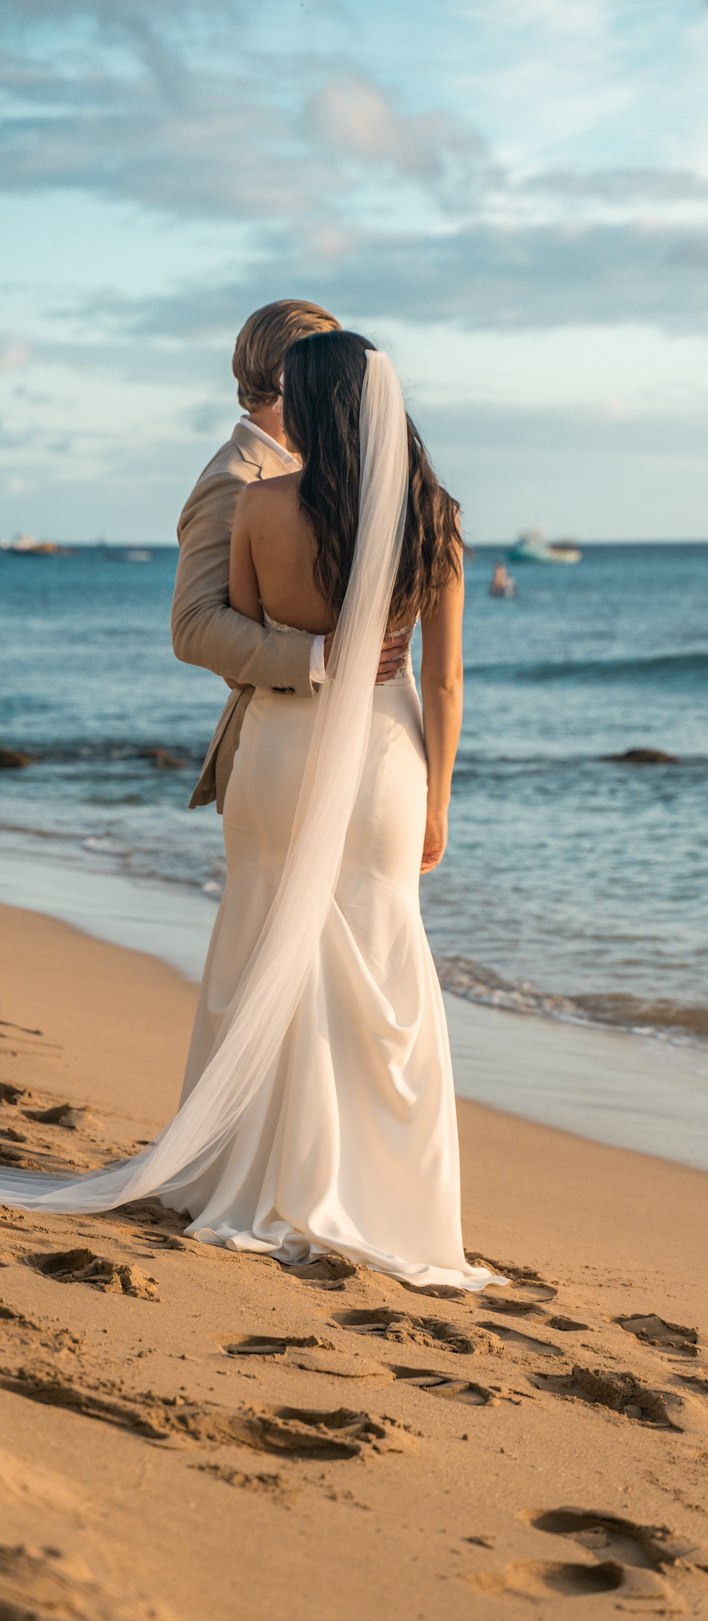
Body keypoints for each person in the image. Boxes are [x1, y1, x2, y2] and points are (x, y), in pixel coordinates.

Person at [0, 333, 506, 1295]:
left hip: (279, 749)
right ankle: (380, 1193)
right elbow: (444, 685)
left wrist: (305, 639)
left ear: (307, 408)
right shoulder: (435, 517)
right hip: (383, 761)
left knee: (260, 937)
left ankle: (239, 1172)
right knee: (379, 953)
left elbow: (239, 627)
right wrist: (439, 794)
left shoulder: (263, 503)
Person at [171, 297, 399, 813]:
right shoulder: (234, 481)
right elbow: (193, 624)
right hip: (278, 745)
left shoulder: (315, 467)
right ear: (285, 375)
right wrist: (319, 657)